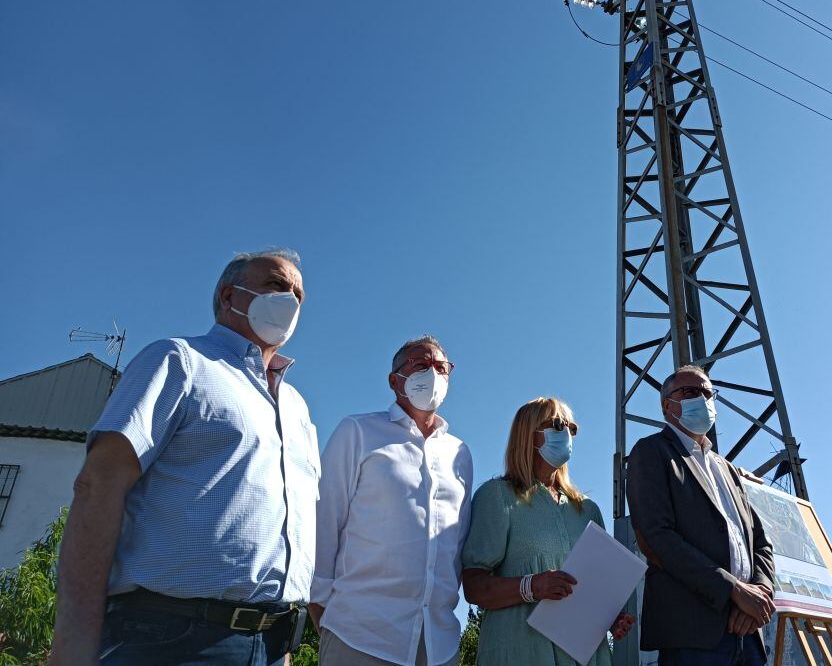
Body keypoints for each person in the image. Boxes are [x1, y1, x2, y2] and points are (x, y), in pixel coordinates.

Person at [50, 248, 319, 666]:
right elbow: (99, 484)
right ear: (230, 296)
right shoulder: (180, 361)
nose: (291, 302)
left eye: (299, 296)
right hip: (169, 637)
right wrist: (73, 646)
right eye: (276, 286)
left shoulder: (297, 408)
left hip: (269, 644)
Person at [310, 336, 473, 666]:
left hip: (438, 644)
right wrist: (322, 612)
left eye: (441, 368)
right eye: (420, 365)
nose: (433, 374)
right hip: (360, 635)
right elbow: (324, 521)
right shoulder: (358, 431)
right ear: (394, 380)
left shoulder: (460, 453)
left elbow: (458, 543)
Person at [461, 397, 634, 666]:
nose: (566, 433)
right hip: (520, 652)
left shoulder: (587, 510)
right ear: (528, 435)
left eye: (571, 428)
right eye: (556, 424)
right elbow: (474, 587)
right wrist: (532, 586)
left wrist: (609, 616)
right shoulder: (496, 497)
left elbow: (593, 585)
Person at [627, 365, 775, 666]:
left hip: (747, 633)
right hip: (693, 635)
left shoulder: (728, 469)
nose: (703, 399)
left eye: (709, 393)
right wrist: (733, 590)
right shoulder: (652, 452)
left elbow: (760, 542)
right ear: (667, 405)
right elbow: (657, 536)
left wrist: (759, 592)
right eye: (691, 392)